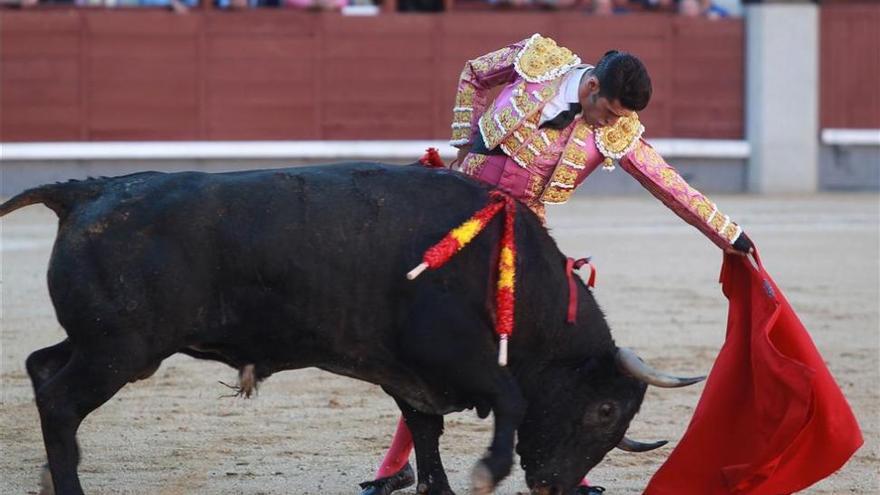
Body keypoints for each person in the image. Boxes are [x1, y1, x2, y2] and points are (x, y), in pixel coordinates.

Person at [358, 34, 752, 495]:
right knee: (428, 337)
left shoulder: (616, 131)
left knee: (543, 347)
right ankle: (396, 466)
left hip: (521, 235)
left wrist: (729, 235)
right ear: (591, 89)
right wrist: (463, 138)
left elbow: (671, 186)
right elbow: (474, 72)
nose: (611, 123)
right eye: (609, 111)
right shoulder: (537, 62)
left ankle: (573, 472)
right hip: (454, 210)